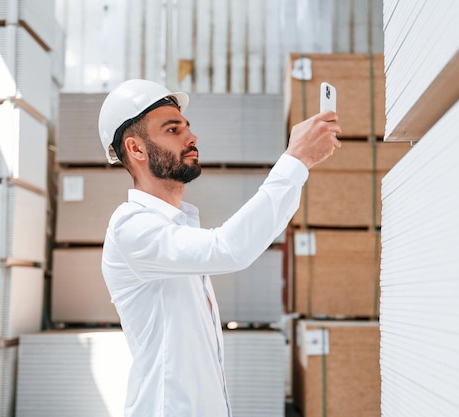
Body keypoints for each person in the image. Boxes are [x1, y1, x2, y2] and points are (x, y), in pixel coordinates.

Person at [98, 79, 341, 417]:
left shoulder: (174, 228)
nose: (191, 137)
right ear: (136, 149)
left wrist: (300, 166)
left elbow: (237, 243)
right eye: (172, 129)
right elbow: (228, 248)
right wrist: (296, 160)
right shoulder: (131, 227)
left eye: (187, 127)